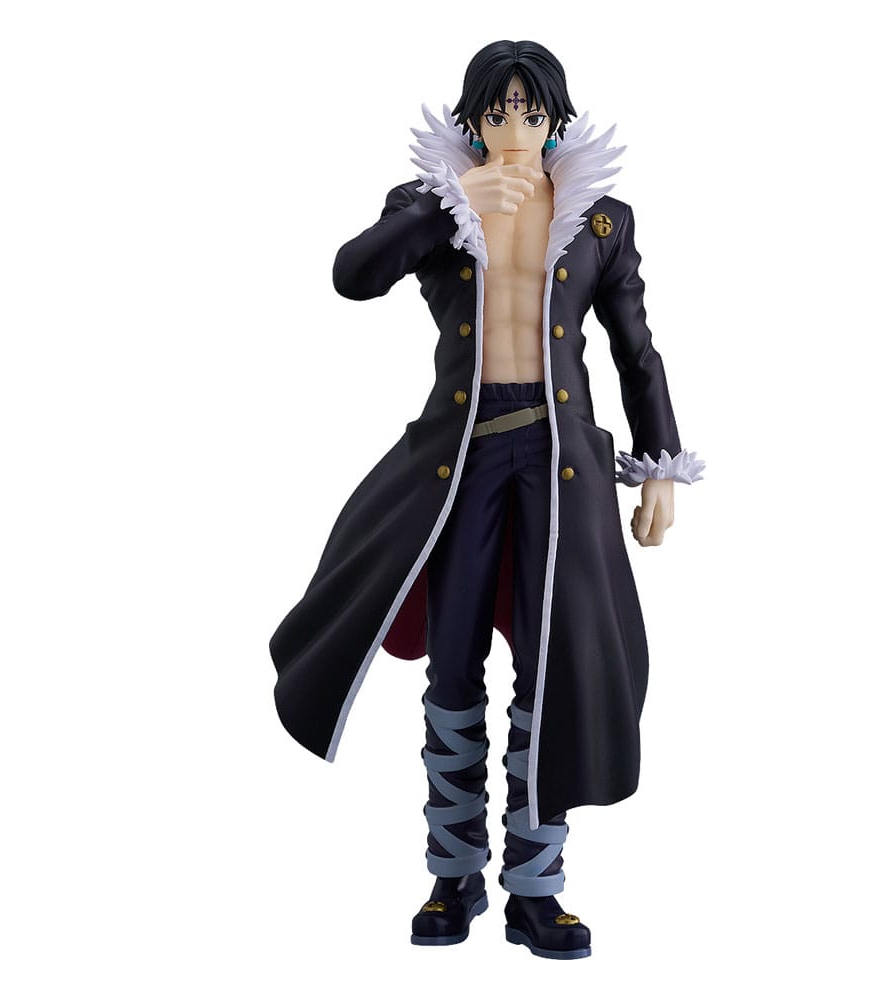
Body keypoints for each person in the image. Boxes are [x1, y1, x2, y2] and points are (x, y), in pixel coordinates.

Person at [269, 39, 703, 960]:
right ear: (472, 121)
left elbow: (636, 349)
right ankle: (453, 872)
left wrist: (661, 463)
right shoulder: (432, 203)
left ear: (555, 121)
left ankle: (537, 889)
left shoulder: (599, 219)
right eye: (498, 113)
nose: (515, 129)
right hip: (460, 461)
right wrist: (450, 204)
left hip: (562, 464)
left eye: (531, 113)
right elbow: (352, 276)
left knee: (557, 670)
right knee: (453, 665)